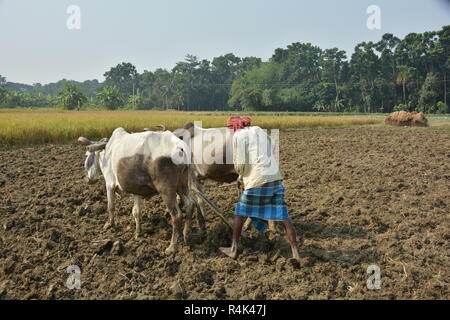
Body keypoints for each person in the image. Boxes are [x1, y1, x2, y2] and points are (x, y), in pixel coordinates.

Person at [219, 118, 300, 260]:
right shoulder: (259, 130)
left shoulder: (238, 135)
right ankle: (295, 253)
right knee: (284, 217)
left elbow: (239, 164)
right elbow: (272, 145)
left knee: (240, 212)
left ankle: (233, 249)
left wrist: (241, 176)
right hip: (275, 178)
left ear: (234, 127)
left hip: (257, 180)